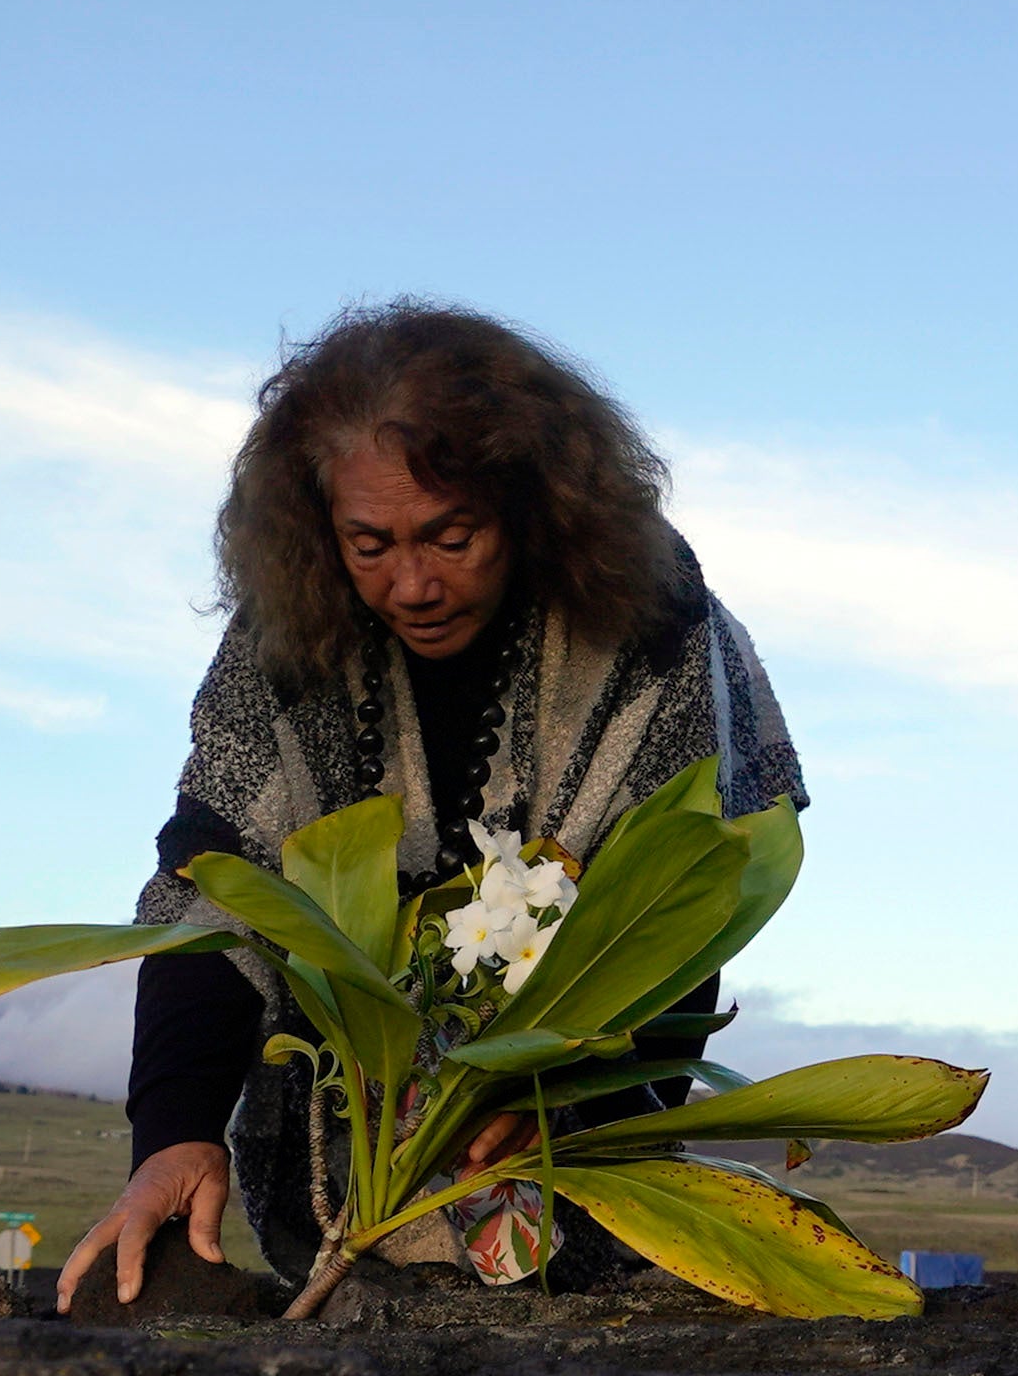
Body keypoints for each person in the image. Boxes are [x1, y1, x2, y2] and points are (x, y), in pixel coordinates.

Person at [59, 300, 802, 1311]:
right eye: (369, 545)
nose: (411, 584)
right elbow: (218, 884)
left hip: (565, 1130)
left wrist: (581, 1108)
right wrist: (175, 1130)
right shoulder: (283, 641)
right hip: (339, 1179)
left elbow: (683, 905)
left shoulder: (653, 623)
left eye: (451, 536)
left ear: (534, 510)